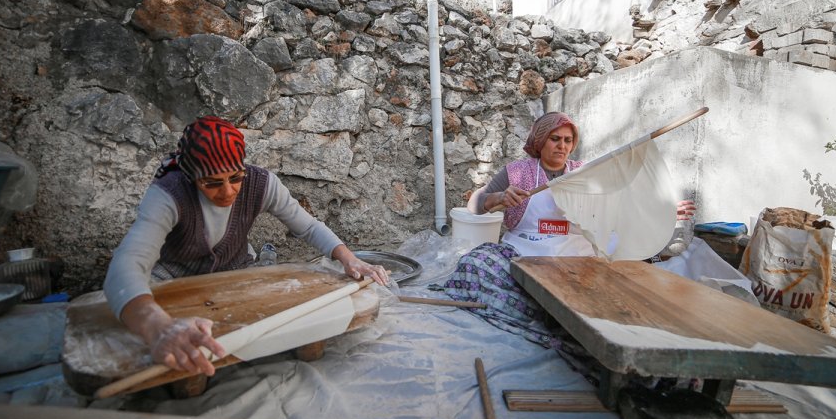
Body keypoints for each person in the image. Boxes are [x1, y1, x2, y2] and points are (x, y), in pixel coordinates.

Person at [103, 116, 388, 377]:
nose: (227, 191)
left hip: (236, 270)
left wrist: (348, 259)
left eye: (235, 177)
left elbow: (309, 226)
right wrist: (158, 327)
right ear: (192, 177)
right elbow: (128, 263)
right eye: (212, 182)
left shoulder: (261, 183)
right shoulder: (168, 194)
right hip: (174, 278)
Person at [442, 112, 693, 346]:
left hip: (575, 256)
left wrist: (661, 210)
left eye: (568, 140)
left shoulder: (585, 173)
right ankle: (544, 315)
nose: (562, 145)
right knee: (475, 262)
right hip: (525, 250)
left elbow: (618, 206)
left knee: (617, 287)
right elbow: (474, 205)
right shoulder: (517, 173)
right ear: (540, 142)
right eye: (555, 139)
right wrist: (498, 197)